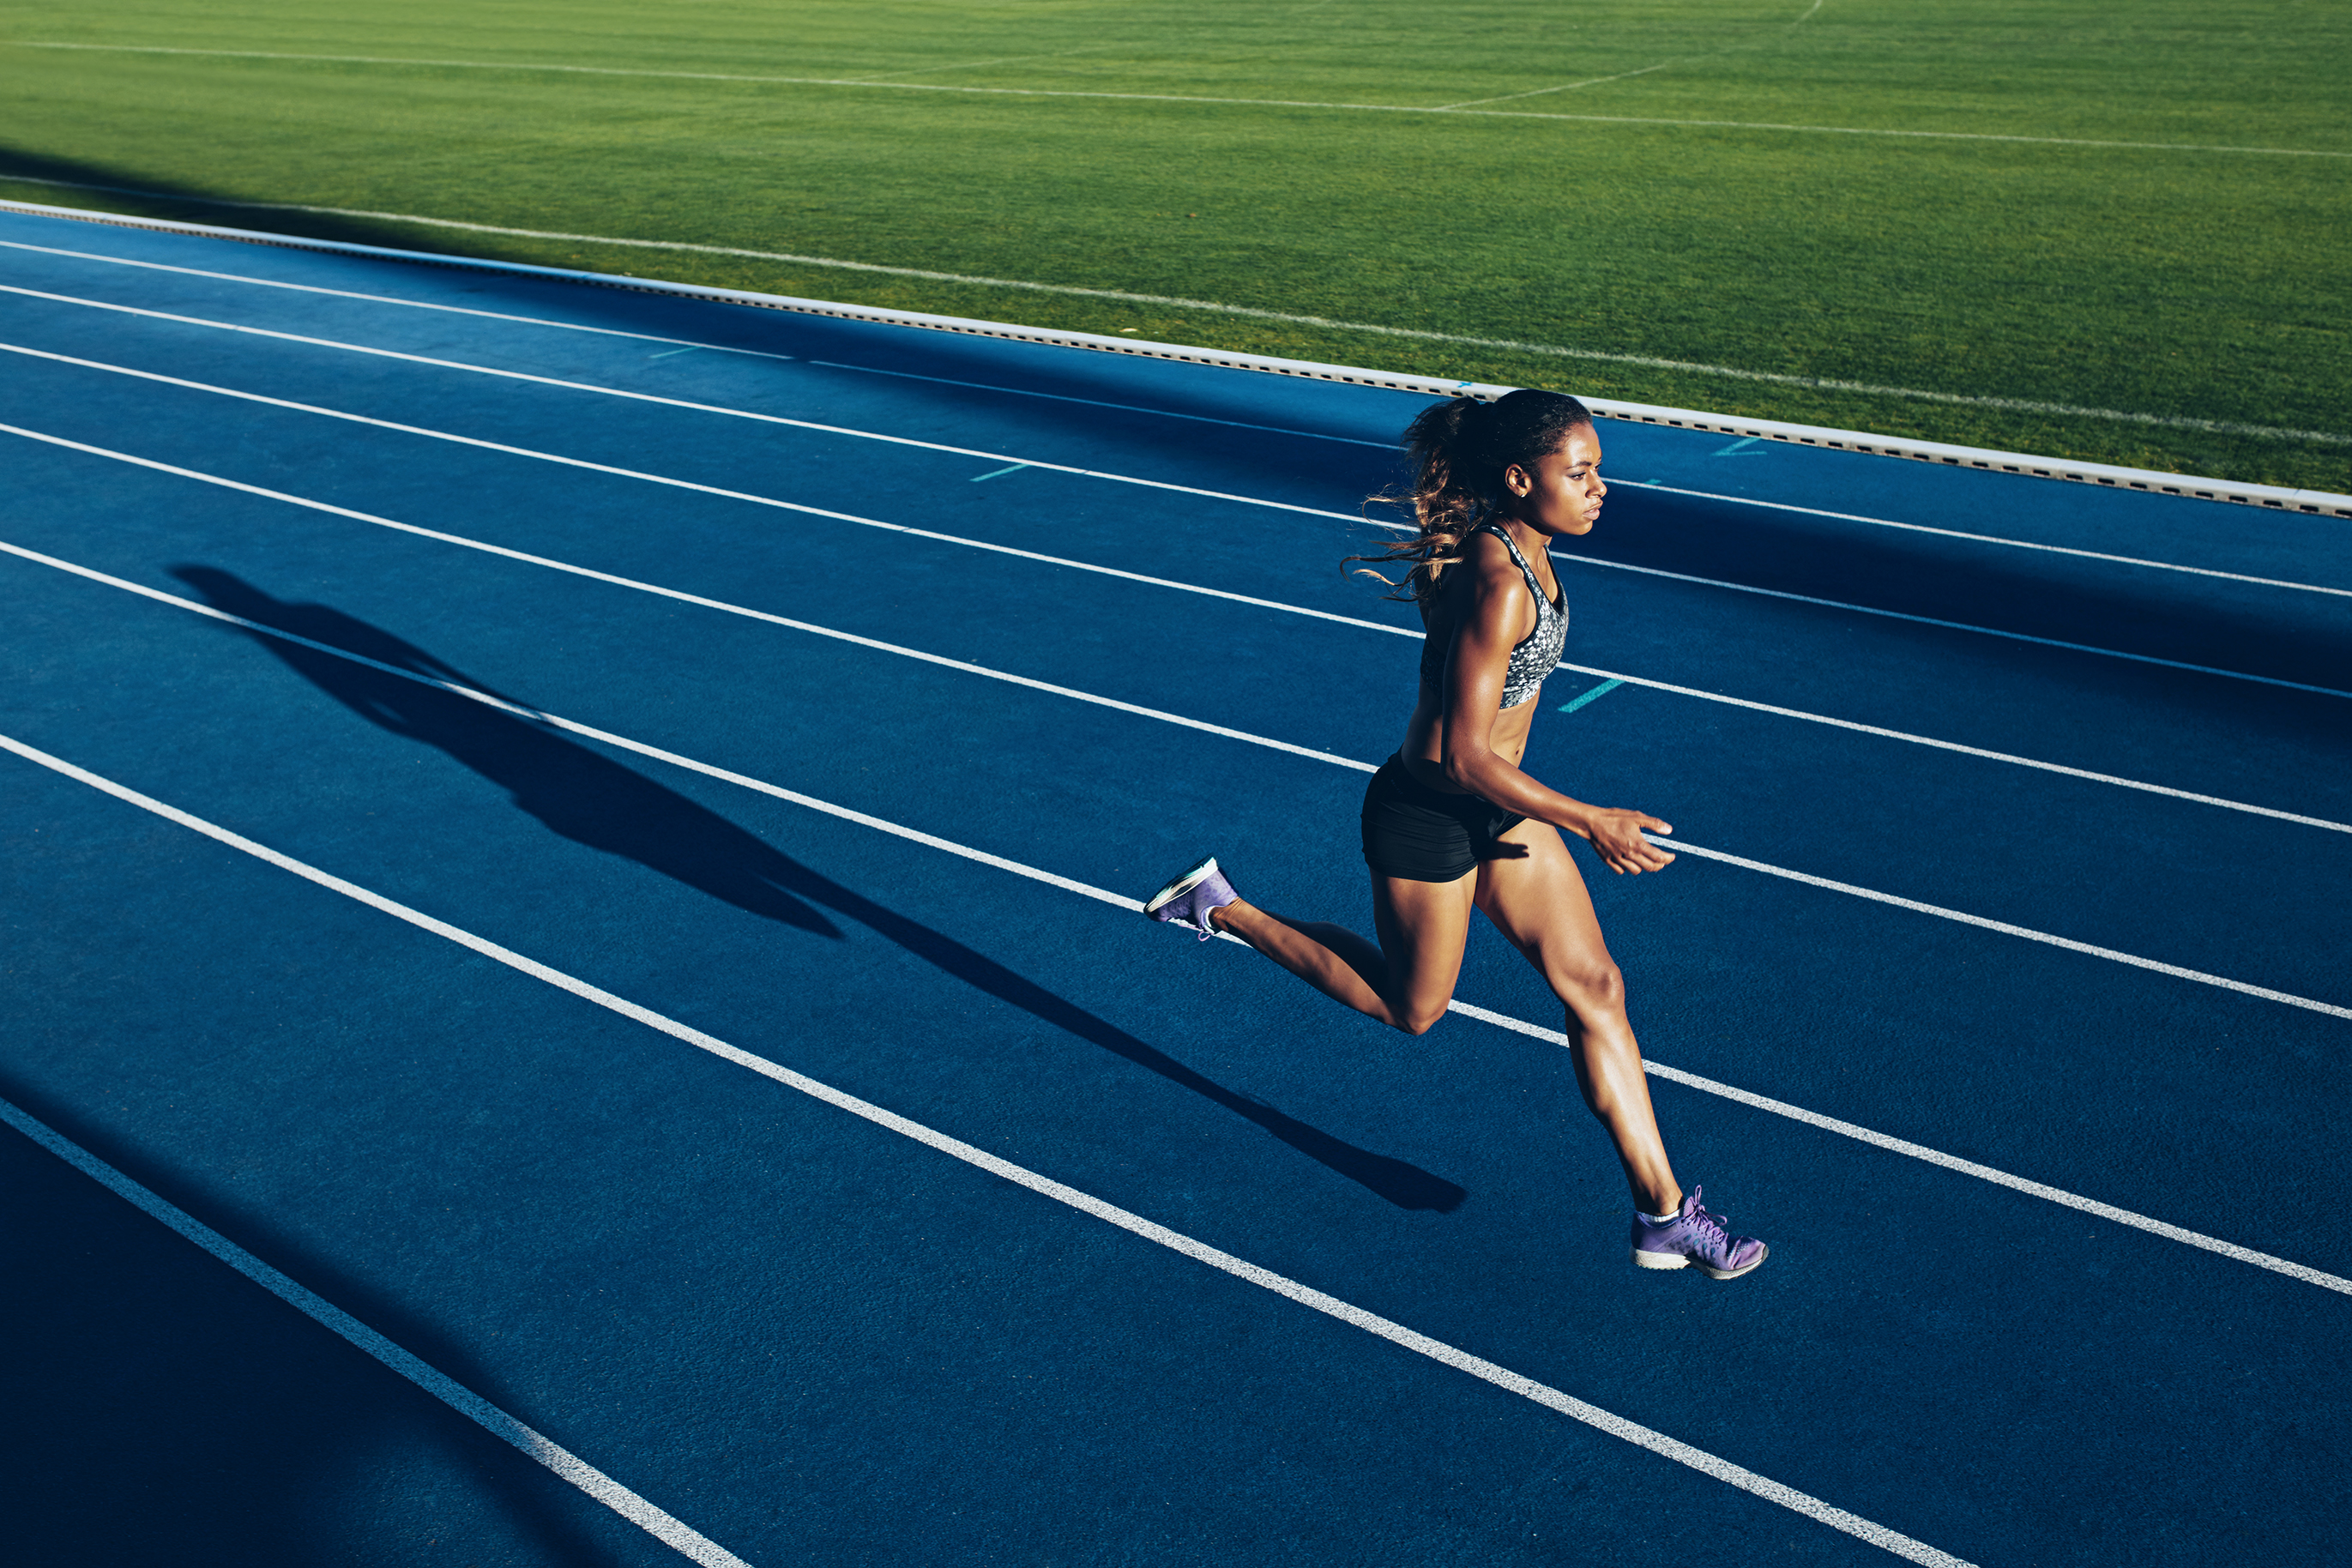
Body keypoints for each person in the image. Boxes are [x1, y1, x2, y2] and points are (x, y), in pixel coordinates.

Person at [1143, 389, 1764, 1279]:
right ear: (1521, 479)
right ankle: (1223, 906)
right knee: (1414, 1009)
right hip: (1430, 816)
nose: (1599, 489)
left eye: (1598, 470)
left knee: (1596, 985)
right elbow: (1463, 754)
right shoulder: (1503, 581)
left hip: (1498, 811)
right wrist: (1591, 820)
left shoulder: (1521, 548)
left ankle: (1664, 1212)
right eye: (1578, 472)